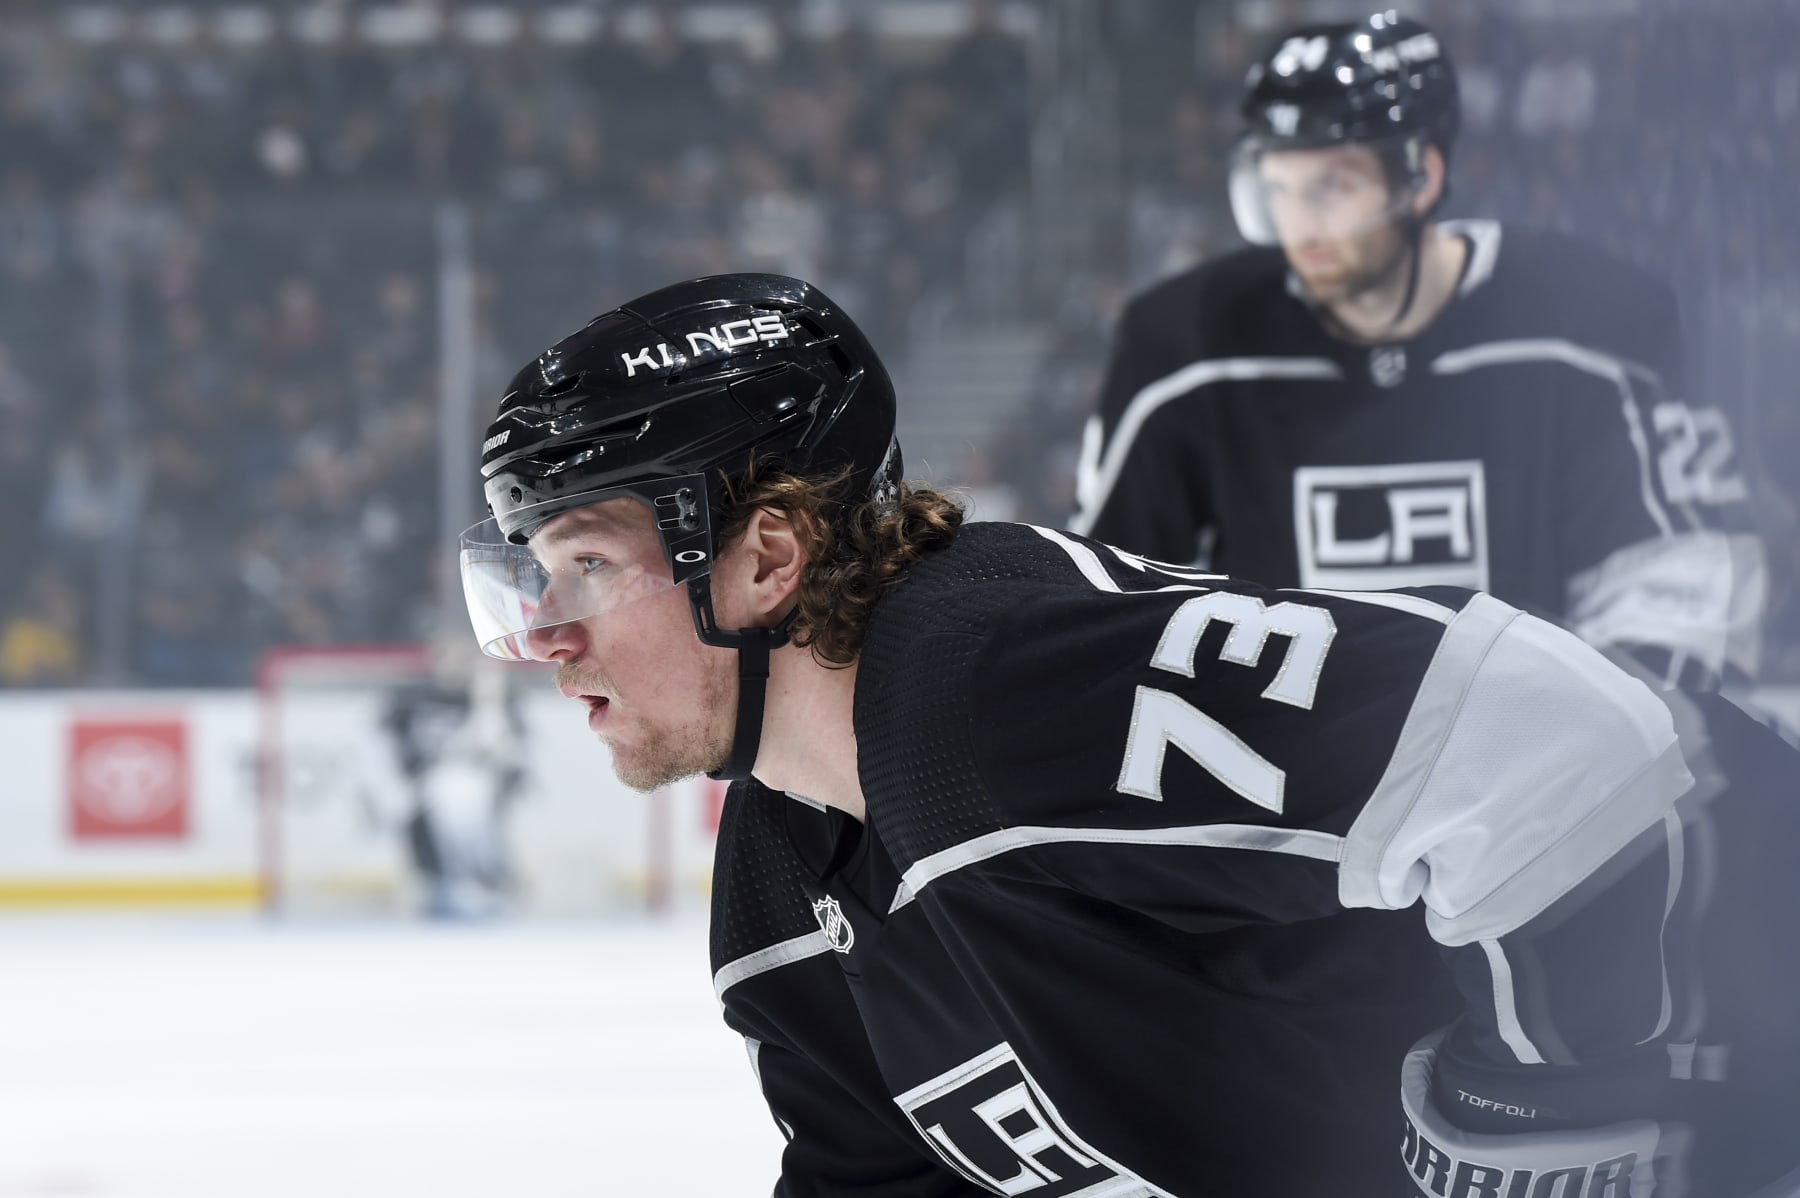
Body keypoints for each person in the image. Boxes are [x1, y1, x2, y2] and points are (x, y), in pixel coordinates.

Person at [459, 273, 1800, 1195]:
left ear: (763, 557)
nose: (543, 635)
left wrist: (1558, 1100)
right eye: (524, 580)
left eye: (583, 564)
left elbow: (1576, 746)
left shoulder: (983, 697)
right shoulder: (777, 888)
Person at [1071, 13, 1765, 696]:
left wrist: (1588, 742)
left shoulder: (1588, 323)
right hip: (1285, 778)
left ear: (1421, 179)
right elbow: (1103, 598)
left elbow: (1683, 581)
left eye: (1332, 187)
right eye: (1277, 189)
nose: (1299, 225)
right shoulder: (1185, 345)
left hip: (1540, 770)